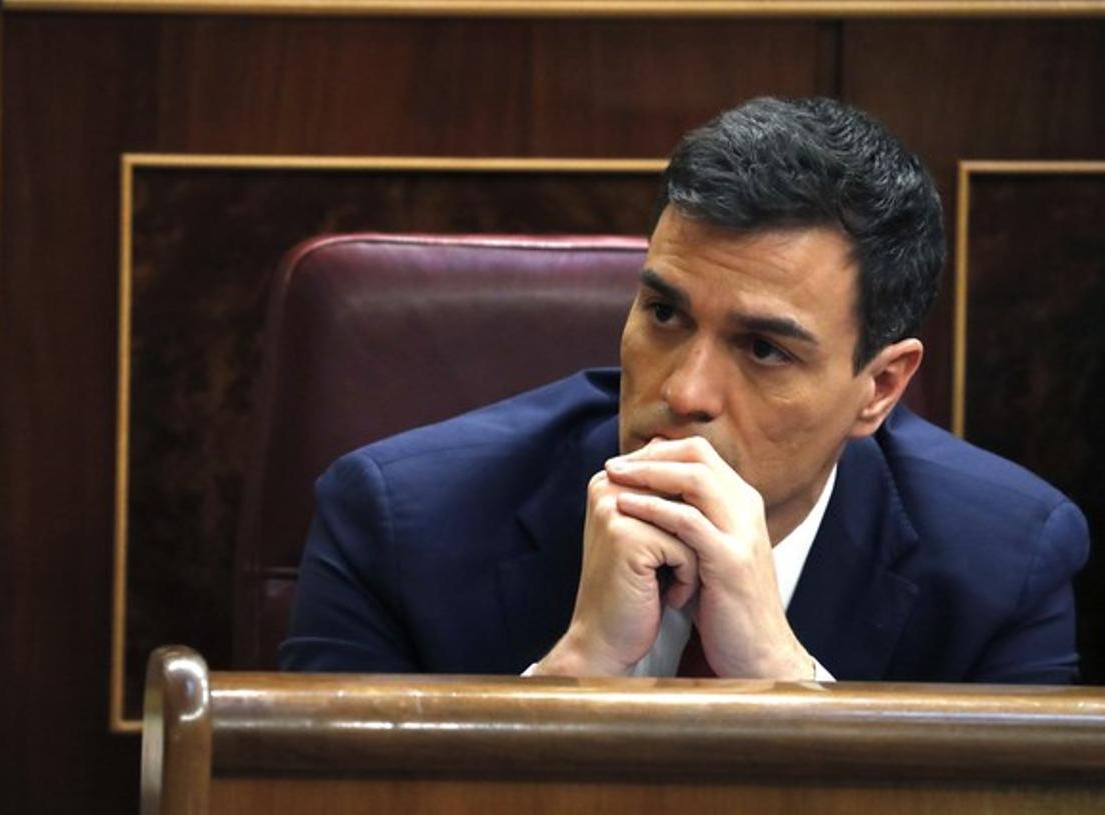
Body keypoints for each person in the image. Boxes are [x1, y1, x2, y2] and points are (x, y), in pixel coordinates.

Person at [278, 97, 1089, 683]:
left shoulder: (1004, 565)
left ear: (879, 386)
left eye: (764, 349)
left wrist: (782, 681)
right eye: (664, 312)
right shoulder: (395, 528)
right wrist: (576, 675)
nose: (687, 390)